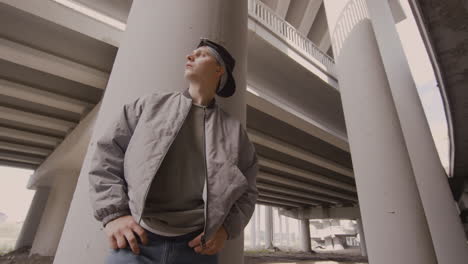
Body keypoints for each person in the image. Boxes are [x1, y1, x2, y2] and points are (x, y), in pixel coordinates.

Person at [88, 38, 259, 263]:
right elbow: (107, 154)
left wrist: (225, 229)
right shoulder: (150, 105)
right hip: (136, 241)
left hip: (197, 248)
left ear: (220, 70)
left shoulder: (234, 132)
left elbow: (247, 190)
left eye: (201, 55)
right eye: (191, 53)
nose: (190, 57)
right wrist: (114, 214)